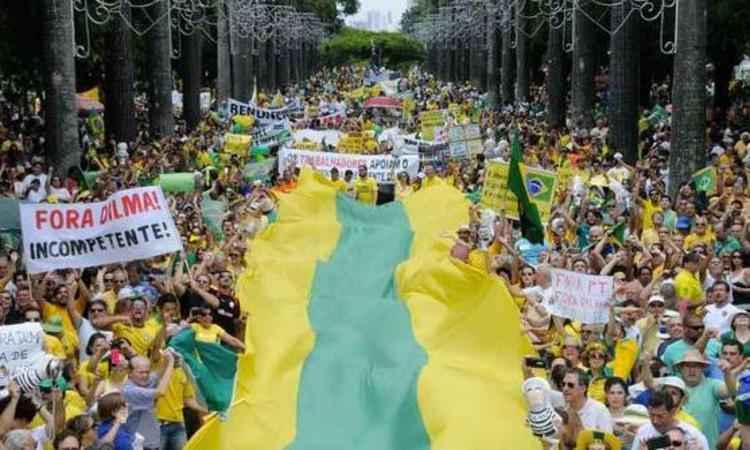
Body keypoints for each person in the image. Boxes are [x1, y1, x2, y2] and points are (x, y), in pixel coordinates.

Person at [122, 353, 175, 450]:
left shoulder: (141, 382)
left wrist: (166, 359)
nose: (145, 375)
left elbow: (157, 375)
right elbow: (160, 392)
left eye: (147, 372)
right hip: (138, 445)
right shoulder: (129, 390)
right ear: (129, 372)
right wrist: (171, 363)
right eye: (141, 372)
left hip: (151, 442)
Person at [632, 390, 709, 450]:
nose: (655, 421)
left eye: (660, 416)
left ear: (672, 412)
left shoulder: (693, 435)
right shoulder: (643, 432)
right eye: (652, 415)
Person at [560, 368, 613, 448]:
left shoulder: (599, 410)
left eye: (570, 385)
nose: (565, 388)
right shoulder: (563, 411)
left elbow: (609, 445)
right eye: (563, 384)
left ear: (583, 389)